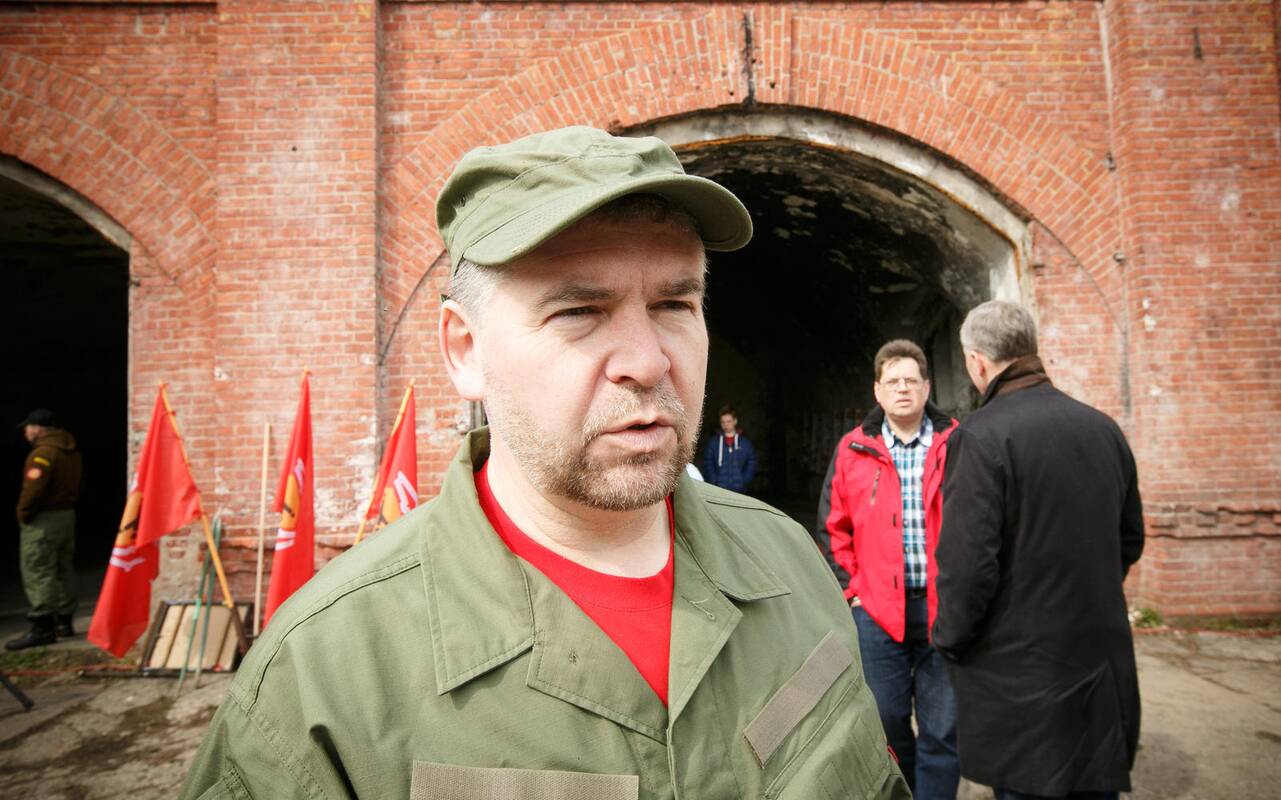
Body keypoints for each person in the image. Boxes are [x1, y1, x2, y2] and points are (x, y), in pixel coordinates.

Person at [182, 126, 910, 800]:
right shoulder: (320, 681)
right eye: (579, 312)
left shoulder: (788, 561)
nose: (648, 361)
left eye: (674, 305)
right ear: (466, 350)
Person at [932, 300, 1145, 800]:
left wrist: (951, 639)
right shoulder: (1102, 429)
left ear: (976, 361)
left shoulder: (979, 438)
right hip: (1097, 665)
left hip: (1021, 682)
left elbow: (968, 567)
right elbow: (1130, 537)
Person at [815, 339, 961, 798]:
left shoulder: (957, 445)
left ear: (927, 388)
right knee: (887, 723)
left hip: (944, 610)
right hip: (877, 612)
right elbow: (832, 528)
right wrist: (853, 593)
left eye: (911, 381)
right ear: (877, 390)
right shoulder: (853, 448)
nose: (902, 389)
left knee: (943, 730)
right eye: (892, 381)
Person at [8, 409, 83, 651]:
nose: (25, 432)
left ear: (38, 429)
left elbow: (33, 488)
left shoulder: (42, 454)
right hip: (66, 515)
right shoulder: (71, 451)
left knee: (39, 568)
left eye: (28, 427)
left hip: (44, 519)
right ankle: (64, 620)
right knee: (63, 567)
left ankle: (43, 626)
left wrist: (23, 512)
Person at [702, 404, 756, 492]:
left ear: (735, 421)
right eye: (723, 422)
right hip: (719, 489)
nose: (725, 425)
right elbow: (708, 463)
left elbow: (752, 462)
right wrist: (714, 481)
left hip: (739, 490)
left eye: (729, 421)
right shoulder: (714, 442)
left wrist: (744, 480)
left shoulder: (745, 443)